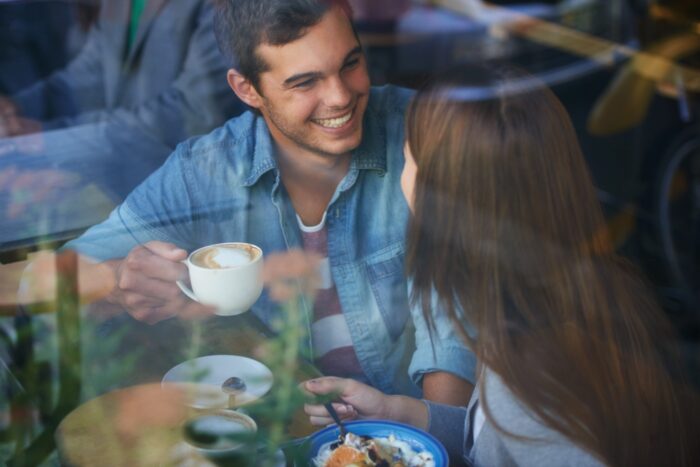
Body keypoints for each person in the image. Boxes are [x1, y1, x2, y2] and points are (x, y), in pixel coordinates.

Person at [41, 0, 475, 401]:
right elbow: (56, 284)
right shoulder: (203, 171)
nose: (340, 95)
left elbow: (464, 314)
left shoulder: (426, 131)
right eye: (305, 82)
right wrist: (118, 283)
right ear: (247, 89)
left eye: (351, 63)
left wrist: (429, 444)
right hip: (278, 434)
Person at [303, 64, 699, 466]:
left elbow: (525, 429)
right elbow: (493, 441)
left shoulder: (529, 377)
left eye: (408, 157)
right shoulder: (587, 292)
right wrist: (394, 413)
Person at [0, 0, 242, 237]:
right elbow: (93, 69)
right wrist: (19, 108)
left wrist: (44, 135)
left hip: (201, 204)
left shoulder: (220, 6)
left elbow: (193, 113)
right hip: (129, 194)